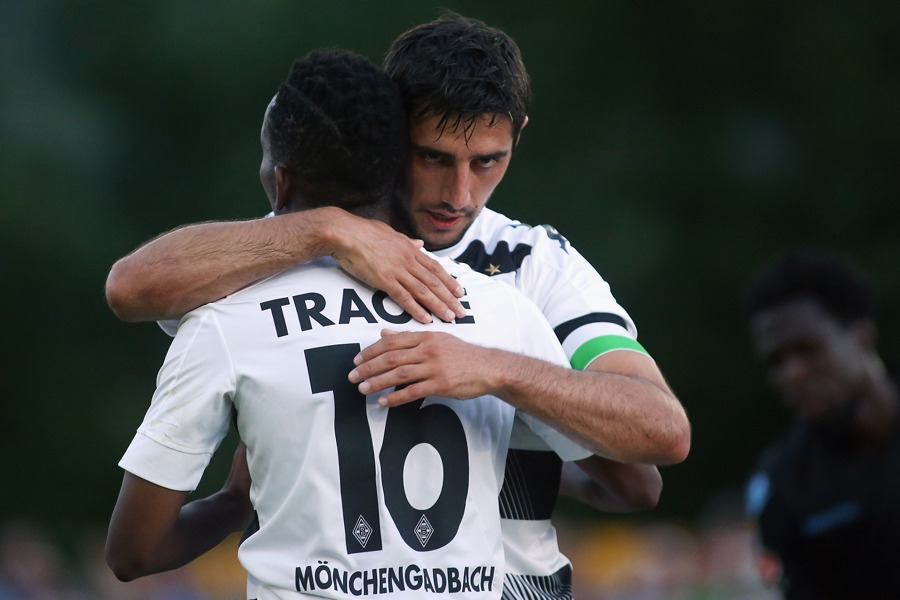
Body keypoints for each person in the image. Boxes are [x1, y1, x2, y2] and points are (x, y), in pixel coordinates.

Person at [105, 13, 688, 597]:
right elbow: (130, 287)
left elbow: (651, 445)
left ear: (519, 136)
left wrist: (494, 374)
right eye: (434, 157)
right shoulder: (284, 248)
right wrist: (328, 231)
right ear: (391, 129)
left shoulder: (532, 263)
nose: (460, 195)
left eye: (488, 161)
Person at [743, 249, 900, 599]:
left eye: (807, 349)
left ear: (861, 336)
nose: (791, 374)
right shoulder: (785, 482)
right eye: (776, 361)